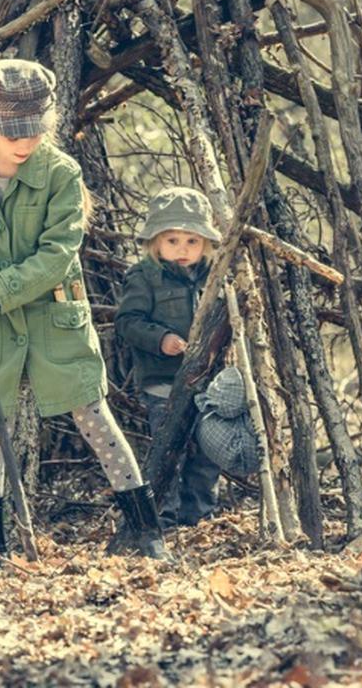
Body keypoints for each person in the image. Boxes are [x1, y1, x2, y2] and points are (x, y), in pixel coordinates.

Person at [0, 58, 169, 568]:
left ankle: (147, 533)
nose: (23, 141)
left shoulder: (62, 173)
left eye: (32, 130)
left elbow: (59, 254)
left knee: (95, 420)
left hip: (54, 321)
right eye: (9, 130)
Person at [114, 187, 229, 526]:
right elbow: (127, 322)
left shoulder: (215, 277)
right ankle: (164, 513)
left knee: (207, 449)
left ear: (205, 244)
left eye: (192, 242)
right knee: (167, 448)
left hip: (208, 381)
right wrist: (161, 339)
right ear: (156, 242)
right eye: (173, 241)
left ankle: (198, 514)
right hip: (162, 381)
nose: (183, 250)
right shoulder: (144, 277)